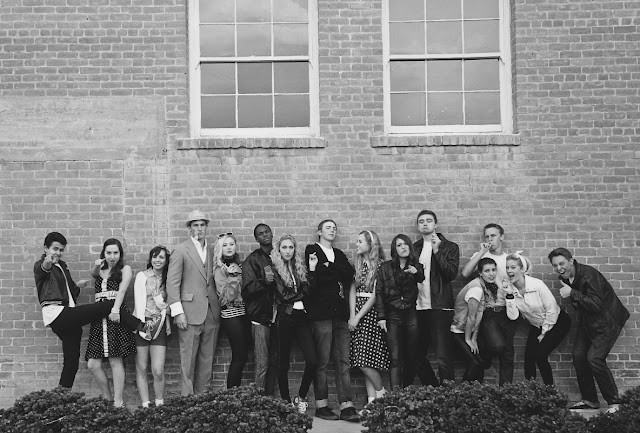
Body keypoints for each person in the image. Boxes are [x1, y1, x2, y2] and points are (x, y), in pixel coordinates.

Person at [33, 232, 143, 390]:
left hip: (68, 316)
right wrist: (47, 261)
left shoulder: (62, 266)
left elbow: (70, 291)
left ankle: (60, 397)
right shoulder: (41, 264)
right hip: (57, 313)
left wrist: (78, 286)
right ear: (46, 248)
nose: (58, 253)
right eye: (55, 249)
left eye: (61, 250)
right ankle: (140, 326)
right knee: (109, 305)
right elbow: (43, 270)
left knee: (72, 362)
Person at [548, 248, 630, 414]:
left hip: (607, 321)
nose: (559, 268)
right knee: (579, 356)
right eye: (555, 265)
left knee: (595, 358)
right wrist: (574, 295)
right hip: (588, 322)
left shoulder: (588, 275)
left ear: (571, 261)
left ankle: (615, 403)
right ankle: (590, 400)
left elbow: (596, 304)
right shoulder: (566, 277)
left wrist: (572, 293)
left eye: (562, 263)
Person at [305, 219, 359, 422]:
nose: (332, 230)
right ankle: (322, 405)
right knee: (323, 362)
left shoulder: (338, 254)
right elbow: (317, 276)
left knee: (343, 361)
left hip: (340, 314)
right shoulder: (312, 250)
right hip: (321, 314)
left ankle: (346, 406)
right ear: (319, 232)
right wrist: (332, 271)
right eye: (328, 227)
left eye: (334, 228)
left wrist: (330, 267)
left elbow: (349, 274)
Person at [166, 210, 221, 396]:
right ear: (189, 228)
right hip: (189, 313)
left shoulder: (213, 250)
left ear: (206, 227)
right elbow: (172, 283)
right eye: (195, 225)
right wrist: (178, 312)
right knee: (188, 360)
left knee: (207, 360)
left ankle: (202, 399)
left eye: (202, 225)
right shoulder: (181, 250)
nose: (199, 228)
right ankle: (187, 401)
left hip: (211, 313)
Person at [504, 252, 570, 386]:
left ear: (522, 269)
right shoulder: (511, 290)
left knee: (540, 356)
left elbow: (551, 309)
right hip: (537, 325)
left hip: (557, 321)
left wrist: (544, 333)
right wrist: (509, 296)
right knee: (528, 359)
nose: (509, 271)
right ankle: (532, 391)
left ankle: (550, 392)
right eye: (507, 268)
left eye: (513, 267)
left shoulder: (537, 285)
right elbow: (513, 316)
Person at [461, 223, 515, 385]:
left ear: (501, 237)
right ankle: (482, 359)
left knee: (507, 354)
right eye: (487, 236)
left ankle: (506, 392)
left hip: (508, 310)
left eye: (493, 235)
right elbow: (465, 273)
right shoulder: (481, 257)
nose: (490, 239)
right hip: (489, 311)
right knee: (496, 346)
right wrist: (481, 252)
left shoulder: (509, 259)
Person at [85, 238, 137, 407]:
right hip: (98, 318)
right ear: (104, 253)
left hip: (116, 315)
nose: (112, 256)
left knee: (115, 360)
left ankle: (118, 402)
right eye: (109, 253)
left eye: (115, 253)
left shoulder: (125, 269)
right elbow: (93, 274)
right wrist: (97, 265)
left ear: (120, 254)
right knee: (93, 364)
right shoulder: (100, 269)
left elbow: (122, 290)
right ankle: (107, 399)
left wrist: (115, 310)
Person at [271, 234, 318, 414]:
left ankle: (301, 397)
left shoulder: (298, 267)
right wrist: (303, 293)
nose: (288, 251)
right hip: (285, 317)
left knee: (312, 360)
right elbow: (284, 296)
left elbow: (310, 290)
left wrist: (311, 270)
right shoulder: (274, 269)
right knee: (283, 362)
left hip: (301, 318)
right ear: (279, 249)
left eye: (291, 247)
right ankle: (285, 401)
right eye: (284, 247)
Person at [413, 210, 459, 386]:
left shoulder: (450, 247)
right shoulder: (414, 248)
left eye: (429, 220)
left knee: (443, 356)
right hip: (417, 308)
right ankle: (433, 389)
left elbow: (450, 274)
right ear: (418, 226)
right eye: (421, 221)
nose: (425, 224)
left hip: (440, 307)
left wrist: (437, 251)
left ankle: (448, 396)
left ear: (435, 224)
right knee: (416, 355)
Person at [375, 234, 425, 389]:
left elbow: (421, 278)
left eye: (405, 244)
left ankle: (407, 392)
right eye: (399, 245)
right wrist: (381, 316)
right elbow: (379, 292)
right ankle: (396, 396)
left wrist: (415, 272)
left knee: (411, 357)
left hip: (411, 315)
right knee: (395, 357)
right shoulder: (385, 267)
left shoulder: (417, 266)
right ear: (394, 249)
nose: (403, 247)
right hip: (393, 315)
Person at [348, 230, 389, 408]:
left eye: (360, 241)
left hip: (371, 313)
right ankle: (372, 403)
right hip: (356, 310)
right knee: (363, 360)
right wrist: (352, 315)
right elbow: (352, 290)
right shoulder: (357, 264)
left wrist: (358, 317)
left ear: (370, 244)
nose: (356, 244)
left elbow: (375, 295)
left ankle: (381, 393)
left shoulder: (380, 265)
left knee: (366, 361)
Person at [242, 223, 278, 395]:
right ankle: (258, 400)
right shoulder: (252, 259)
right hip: (260, 317)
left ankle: (269, 397)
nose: (265, 235)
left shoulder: (279, 255)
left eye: (267, 232)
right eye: (261, 234)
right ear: (256, 238)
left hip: (278, 316)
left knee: (275, 361)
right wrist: (264, 282)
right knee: (262, 362)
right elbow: (247, 289)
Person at [133, 245, 172, 408]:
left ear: (166, 260)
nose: (158, 260)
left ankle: (159, 405)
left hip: (159, 325)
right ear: (150, 259)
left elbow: (170, 304)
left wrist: (167, 316)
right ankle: (145, 406)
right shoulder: (142, 276)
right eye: (155, 256)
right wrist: (139, 326)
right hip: (142, 324)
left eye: (161, 257)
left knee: (158, 369)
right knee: (141, 367)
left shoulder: (169, 278)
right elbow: (138, 302)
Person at [451, 258, 497, 383]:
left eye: (493, 270)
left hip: (468, 331)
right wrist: (468, 339)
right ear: (480, 273)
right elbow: (471, 317)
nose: (491, 274)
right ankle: (463, 392)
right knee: (474, 363)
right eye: (487, 271)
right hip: (458, 332)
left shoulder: (484, 286)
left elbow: (478, 316)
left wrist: (474, 338)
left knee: (480, 363)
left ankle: (476, 392)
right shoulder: (476, 288)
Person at [213, 233, 250, 388]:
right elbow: (227, 297)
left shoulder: (238, 265)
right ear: (220, 249)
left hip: (244, 314)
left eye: (231, 244)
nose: (229, 248)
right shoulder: (220, 269)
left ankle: (236, 393)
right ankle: (232, 395)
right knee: (239, 356)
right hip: (231, 315)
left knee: (243, 356)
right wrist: (233, 276)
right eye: (225, 245)